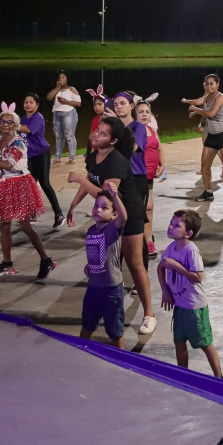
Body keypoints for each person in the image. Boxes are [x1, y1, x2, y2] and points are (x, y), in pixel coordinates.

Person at [67, 116, 157, 334]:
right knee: (107, 261)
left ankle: (149, 314)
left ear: (114, 140)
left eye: (103, 134)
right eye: (97, 130)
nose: (97, 135)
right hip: (109, 215)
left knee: (134, 263)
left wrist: (79, 179)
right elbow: (91, 179)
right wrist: (74, 204)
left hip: (129, 214)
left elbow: (105, 194)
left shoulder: (117, 160)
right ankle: (106, 307)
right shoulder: (94, 156)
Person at [0, 104, 54, 280]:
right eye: (3, 121)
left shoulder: (19, 143)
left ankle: (46, 259)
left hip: (21, 185)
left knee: (25, 226)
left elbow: (9, 165)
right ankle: (7, 263)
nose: (5, 124)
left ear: (16, 125)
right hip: (4, 185)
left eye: (10, 122)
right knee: (4, 225)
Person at [158, 209, 222, 376]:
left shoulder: (191, 251)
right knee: (179, 343)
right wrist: (165, 290)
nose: (170, 227)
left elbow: (198, 277)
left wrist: (176, 266)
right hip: (180, 306)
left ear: (188, 233)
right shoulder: (171, 248)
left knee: (205, 343)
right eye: (171, 223)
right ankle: (183, 376)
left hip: (194, 307)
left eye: (176, 225)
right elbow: (160, 267)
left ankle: (219, 378)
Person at [80, 183, 128, 349]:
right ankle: (80, 353)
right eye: (96, 205)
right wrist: (90, 266)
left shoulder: (111, 229)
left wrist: (115, 196)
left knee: (115, 331)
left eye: (104, 207)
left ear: (114, 214)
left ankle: (121, 359)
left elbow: (123, 218)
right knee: (87, 325)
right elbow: (97, 254)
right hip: (93, 287)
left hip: (111, 290)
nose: (98, 210)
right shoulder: (91, 230)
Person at [184, 74, 223, 201]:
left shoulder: (220, 97)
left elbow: (211, 114)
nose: (209, 86)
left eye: (211, 83)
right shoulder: (206, 96)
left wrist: (195, 109)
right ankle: (208, 192)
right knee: (205, 164)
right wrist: (186, 101)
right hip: (212, 134)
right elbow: (197, 102)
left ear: (217, 84)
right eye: (206, 84)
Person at [111, 92, 151, 261]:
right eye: (115, 104)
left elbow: (131, 148)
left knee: (136, 225)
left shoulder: (138, 127)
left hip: (137, 179)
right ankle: (117, 268)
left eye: (122, 103)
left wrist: (118, 127)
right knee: (118, 222)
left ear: (131, 106)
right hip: (120, 179)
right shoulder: (113, 129)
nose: (118, 107)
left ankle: (142, 268)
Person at [18, 92, 64, 229]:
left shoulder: (38, 117)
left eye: (31, 102)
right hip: (30, 156)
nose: (28, 104)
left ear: (37, 105)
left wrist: (12, 124)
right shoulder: (22, 118)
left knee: (44, 183)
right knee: (30, 185)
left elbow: (27, 130)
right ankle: (32, 213)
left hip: (41, 153)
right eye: (26, 102)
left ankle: (59, 213)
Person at [136, 100, 163, 257]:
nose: (144, 114)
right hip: (138, 175)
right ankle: (140, 240)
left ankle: (148, 240)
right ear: (135, 114)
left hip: (149, 176)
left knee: (149, 207)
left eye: (147, 112)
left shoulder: (152, 130)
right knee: (141, 208)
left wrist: (162, 164)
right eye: (141, 112)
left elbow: (159, 148)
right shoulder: (133, 130)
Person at [47, 71, 81, 165]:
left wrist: (66, 102)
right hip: (56, 114)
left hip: (68, 113)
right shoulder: (57, 90)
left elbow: (78, 103)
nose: (61, 79)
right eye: (59, 78)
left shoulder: (71, 89)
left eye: (63, 77)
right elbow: (49, 97)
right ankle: (58, 157)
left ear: (67, 79)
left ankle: (72, 157)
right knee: (58, 136)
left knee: (69, 136)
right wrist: (57, 88)